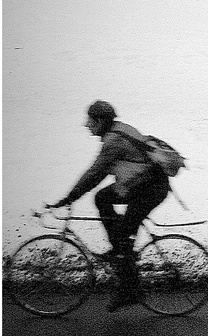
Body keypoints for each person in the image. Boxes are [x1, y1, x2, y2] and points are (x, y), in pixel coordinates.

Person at [46, 101, 170, 312]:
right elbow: (100, 174)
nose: (87, 125)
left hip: (150, 189)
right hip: (141, 184)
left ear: (101, 121)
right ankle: (120, 251)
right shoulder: (117, 130)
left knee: (122, 236)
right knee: (102, 198)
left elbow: (95, 173)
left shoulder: (114, 140)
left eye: (90, 120)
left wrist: (69, 198)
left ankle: (130, 290)